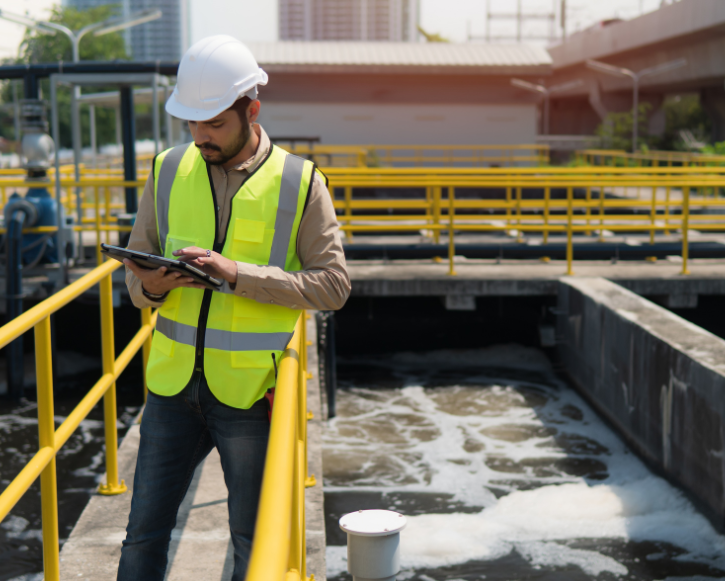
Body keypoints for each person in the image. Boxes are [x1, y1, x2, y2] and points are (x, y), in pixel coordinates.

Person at [117, 35, 350, 581]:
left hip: (249, 394)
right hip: (171, 389)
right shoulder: (168, 170)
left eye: (215, 124)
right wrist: (152, 287)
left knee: (255, 544)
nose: (201, 137)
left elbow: (333, 285)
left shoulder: (300, 182)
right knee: (142, 536)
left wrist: (236, 274)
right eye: (192, 125)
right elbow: (136, 284)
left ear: (252, 110)